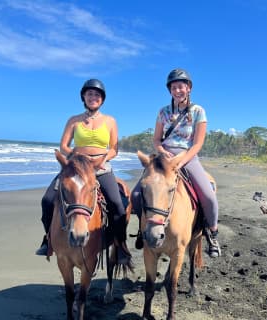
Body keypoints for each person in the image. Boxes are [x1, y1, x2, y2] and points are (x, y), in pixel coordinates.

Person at [36, 79, 131, 263]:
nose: (93, 97)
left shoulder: (110, 121)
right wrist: (76, 158)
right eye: (89, 94)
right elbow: (63, 145)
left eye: (97, 95)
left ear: (102, 99)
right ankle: (48, 240)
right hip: (76, 168)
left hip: (101, 168)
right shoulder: (74, 120)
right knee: (47, 200)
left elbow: (114, 149)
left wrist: (103, 159)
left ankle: (121, 246)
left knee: (118, 206)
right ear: (83, 97)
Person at [131, 68, 221, 258]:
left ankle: (211, 233)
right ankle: (143, 229)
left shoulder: (198, 111)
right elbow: (156, 140)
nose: (177, 90)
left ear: (189, 88)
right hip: (163, 157)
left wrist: (181, 162)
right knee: (137, 194)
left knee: (209, 196)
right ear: (169, 90)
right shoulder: (163, 112)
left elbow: (198, 143)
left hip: (187, 157)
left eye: (181, 86)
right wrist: (162, 152)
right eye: (173, 87)